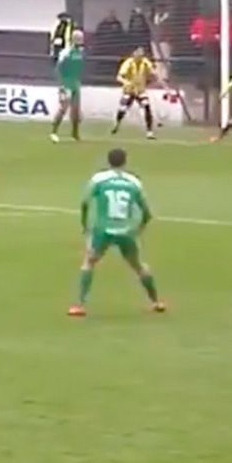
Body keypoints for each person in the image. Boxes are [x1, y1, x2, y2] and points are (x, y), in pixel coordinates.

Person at [69, 147, 166, 317]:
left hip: (103, 231)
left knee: (89, 263)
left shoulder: (99, 179)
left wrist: (85, 225)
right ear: (125, 161)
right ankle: (156, 302)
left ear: (108, 161)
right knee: (138, 266)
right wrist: (139, 229)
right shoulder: (134, 181)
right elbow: (147, 213)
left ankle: (79, 305)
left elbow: (85, 203)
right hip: (126, 231)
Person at [112, 46, 158, 139]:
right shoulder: (128, 63)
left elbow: (153, 72)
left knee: (146, 107)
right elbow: (119, 77)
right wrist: (127, 83)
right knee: (123, 109)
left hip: (140, 90)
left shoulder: (145, 62)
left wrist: (154, 76)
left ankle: (149, 132)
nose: (140, 56)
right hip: (129, 90)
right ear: (134, 53)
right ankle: (117, 124)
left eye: (142, 54)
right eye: (138, 53)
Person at [51, 30, 86, 143]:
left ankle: (75, 133)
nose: (81, 41)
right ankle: (54, 132)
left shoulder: (80, 52)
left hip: (75, 83)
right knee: (63, 108)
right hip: (66, 83)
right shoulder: (66, 52)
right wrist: (61, 84)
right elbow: (59, 68)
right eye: (79, 39)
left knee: (75, 110)